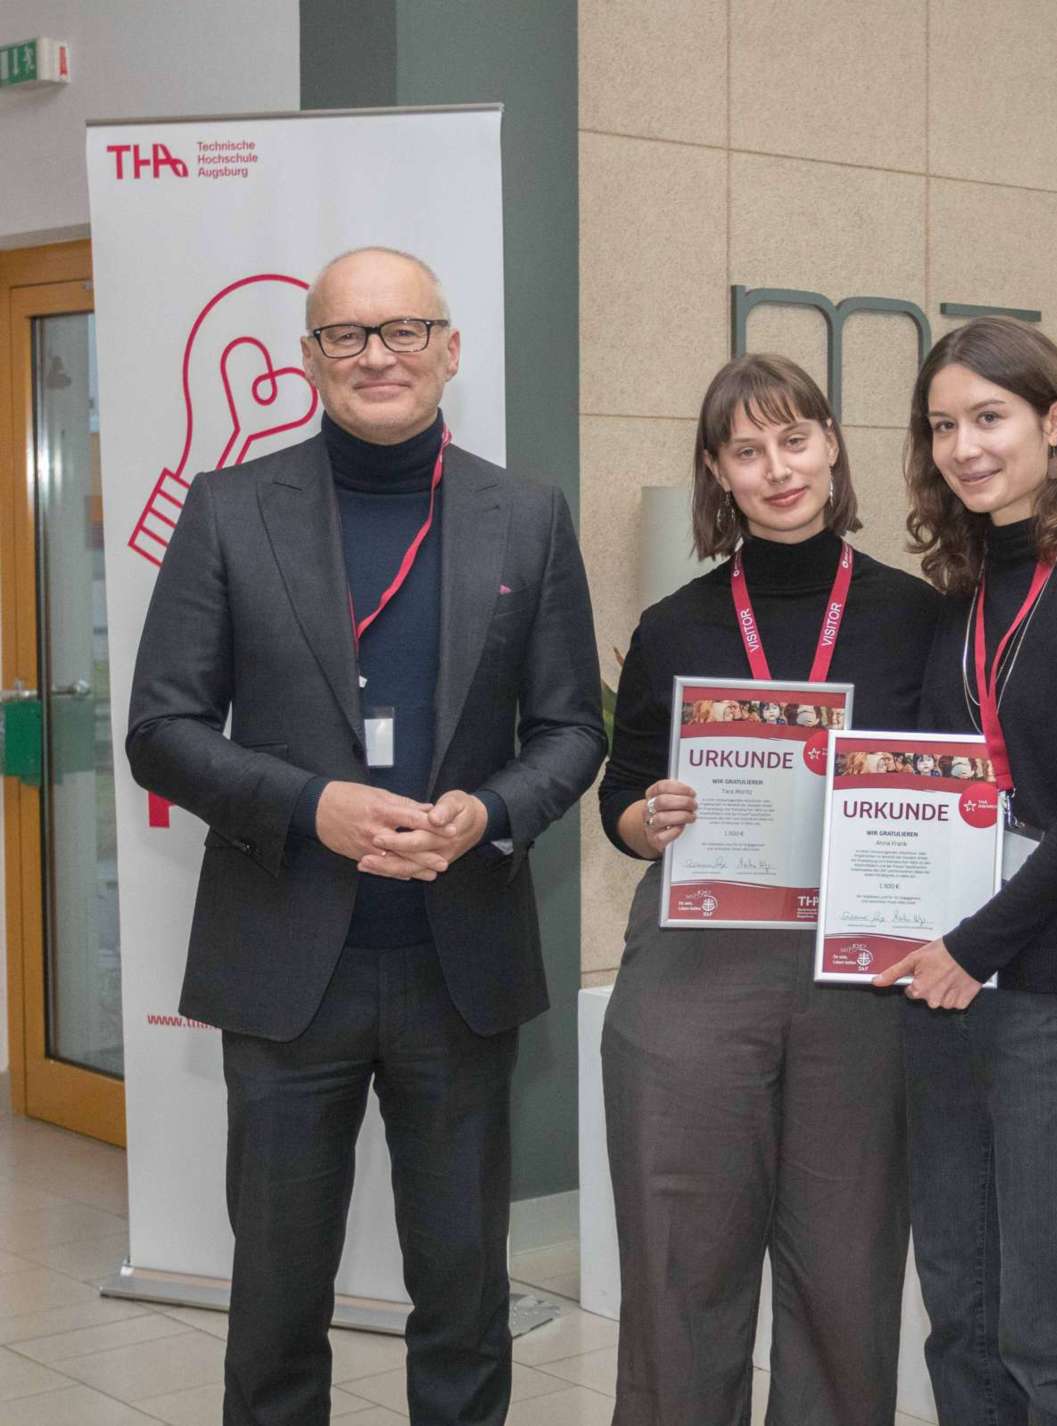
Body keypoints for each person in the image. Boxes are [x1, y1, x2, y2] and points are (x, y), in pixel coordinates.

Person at [126, 246, 604, 1425]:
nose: (376, 355)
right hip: (289, 968)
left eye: (403, 331)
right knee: (278, 1307)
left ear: (450, 349)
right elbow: (160, 728)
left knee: (462, 1300)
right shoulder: (231, 509)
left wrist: (489, 812)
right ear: (308, 360)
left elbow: (570, 730)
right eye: (347, 335)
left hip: (460, 968)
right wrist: (307, 804)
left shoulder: (526, 515)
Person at [598, 352, 940, 1426]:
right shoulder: (675, 625)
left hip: (858, 978)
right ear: (718, 471)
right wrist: (644, 817)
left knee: (845, 1275)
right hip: (699, 970)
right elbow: (621, 793)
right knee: (677, 1267)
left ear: (832, 446)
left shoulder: (918, 618)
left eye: (795, 439)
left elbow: (958, 789)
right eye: (748, 449)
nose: (777, 467)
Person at [875, 316, 1057, 1425]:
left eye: (988, 417)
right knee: (957, 1302)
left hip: (1044, 985)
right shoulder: (955, 585)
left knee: (1045, 1317)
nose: (963, 446)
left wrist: (970, 948)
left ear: (1053, 420)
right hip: (939, 984)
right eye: (943, 425)